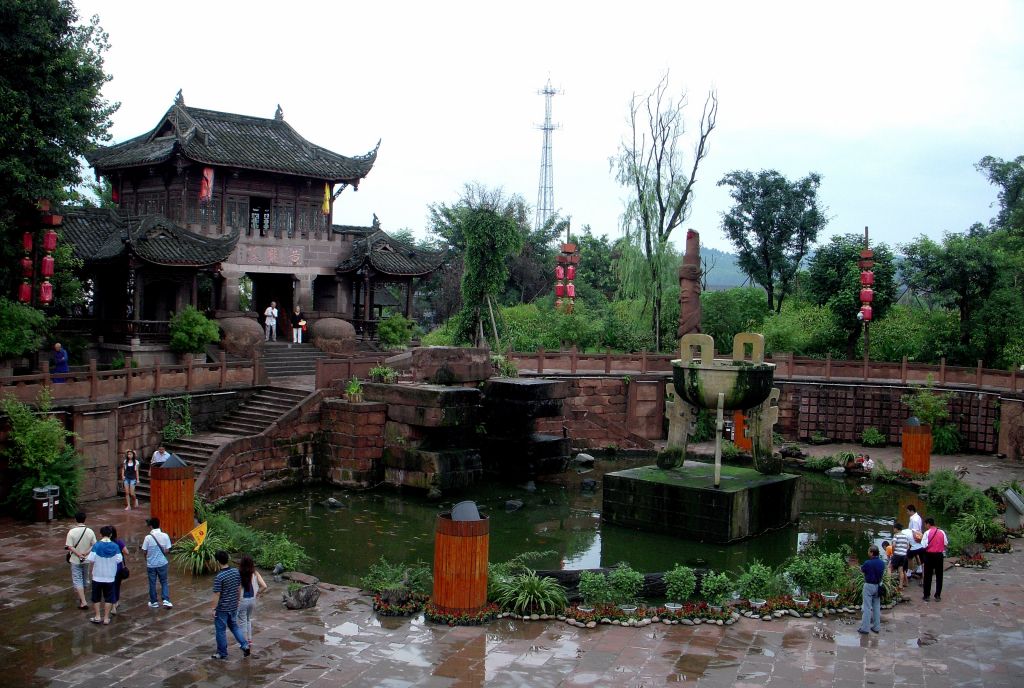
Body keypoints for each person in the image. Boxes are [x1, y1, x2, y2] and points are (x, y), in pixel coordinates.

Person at [210, 551, 251, 660]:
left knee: (220, 630)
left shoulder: (219, 577)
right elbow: (238, 587)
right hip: (233, 605)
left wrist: (213, 608)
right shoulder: (235, 572)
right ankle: (245, 645)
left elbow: (217, 594)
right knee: (234, 626)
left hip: (222, 608)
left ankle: (222, 652)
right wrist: (237, 600)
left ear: (217, 561)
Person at [87, 526, 123, 625]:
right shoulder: (115, 546)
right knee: (109, 598)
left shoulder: (97, 545)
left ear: (100, 534)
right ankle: (106, 618)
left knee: (96, 597)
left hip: (97, 576)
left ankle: (98, 616)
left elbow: (91, 559)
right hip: (110, 577)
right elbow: (119, 559)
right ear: (111, 534)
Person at [65, 511, 97, 610]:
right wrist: (85, 553)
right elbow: (94, 545)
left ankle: (83, 601)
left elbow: (69, 546)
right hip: (86, 559)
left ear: (76, 519)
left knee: (77, 579)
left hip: (75, 559)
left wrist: (79, 554)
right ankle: (82, 597)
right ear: (84, 519)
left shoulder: (71, 532)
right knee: (85, 578)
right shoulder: (90, 531)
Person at [236, 554, 268, 650]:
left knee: (242, 621)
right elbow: (264, 586)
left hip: (243, 600)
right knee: (248, 619)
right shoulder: (255, 573)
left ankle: (244, 643)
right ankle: (249, 640)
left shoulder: (239, 573)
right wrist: (258, 593)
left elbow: (238, 588)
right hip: (252, 600)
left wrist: (237, 600)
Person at [141, 517, 173, 608]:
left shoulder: (148, 538)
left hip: (151, 564)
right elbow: (167, 550)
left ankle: (154, 601)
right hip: (162, 563)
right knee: (164, 581)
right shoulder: (165, 536)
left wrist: (146, 558)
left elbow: (144, 551)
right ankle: (166, 600)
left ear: (151, 526)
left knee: (152, 583)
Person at [858, 544, 885, 634]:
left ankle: (865, 628)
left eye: (869, 551)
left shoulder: (868, 563)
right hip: (878, 586)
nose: (868, 553)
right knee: (876, 607)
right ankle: (876, 627)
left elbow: (862, 570)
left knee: (867, 607)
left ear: (872, 553)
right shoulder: (882, 563)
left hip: (869, 586)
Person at [921, 517, 947, 602]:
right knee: (939, 575)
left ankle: (926, 595)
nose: (925, 526)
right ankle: (937, 595)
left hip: (929, 555)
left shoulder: (927, 533)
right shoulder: (942, 532)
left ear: (928, 524)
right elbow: (945, 543)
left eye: (925, 524)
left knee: (928, 575)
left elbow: (924, 545)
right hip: (939, 555)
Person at [109, 525, 130, 615]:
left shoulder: (105, 544)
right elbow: (127, 552)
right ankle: (116, 602)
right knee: (117, 585)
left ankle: (112, 604)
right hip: (118, 567)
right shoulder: (119, 542)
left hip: (108, 566)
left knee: (110, 586)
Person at [890, 521, 914, 590]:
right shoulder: (905, 536)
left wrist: (893, 552)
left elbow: (893, 545)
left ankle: (888, 584)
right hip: (903, 556)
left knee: (889, 568)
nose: (893, 530)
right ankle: (900, 585)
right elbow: (908, 546)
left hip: (897, 554)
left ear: (896, 529)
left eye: (894, 528)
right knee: (901, 570)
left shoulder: (896, 535)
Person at [906, 504, 925, 579]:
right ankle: (919, 569)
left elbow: (915, 531)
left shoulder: (914, 519)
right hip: (918, 539)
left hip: (914, 540)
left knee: (909, 556)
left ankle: (909, 572)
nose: (907, 513)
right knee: (917, 554)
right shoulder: (918, 517)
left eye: (907, 511)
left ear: (911, 511)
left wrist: (912, 541)